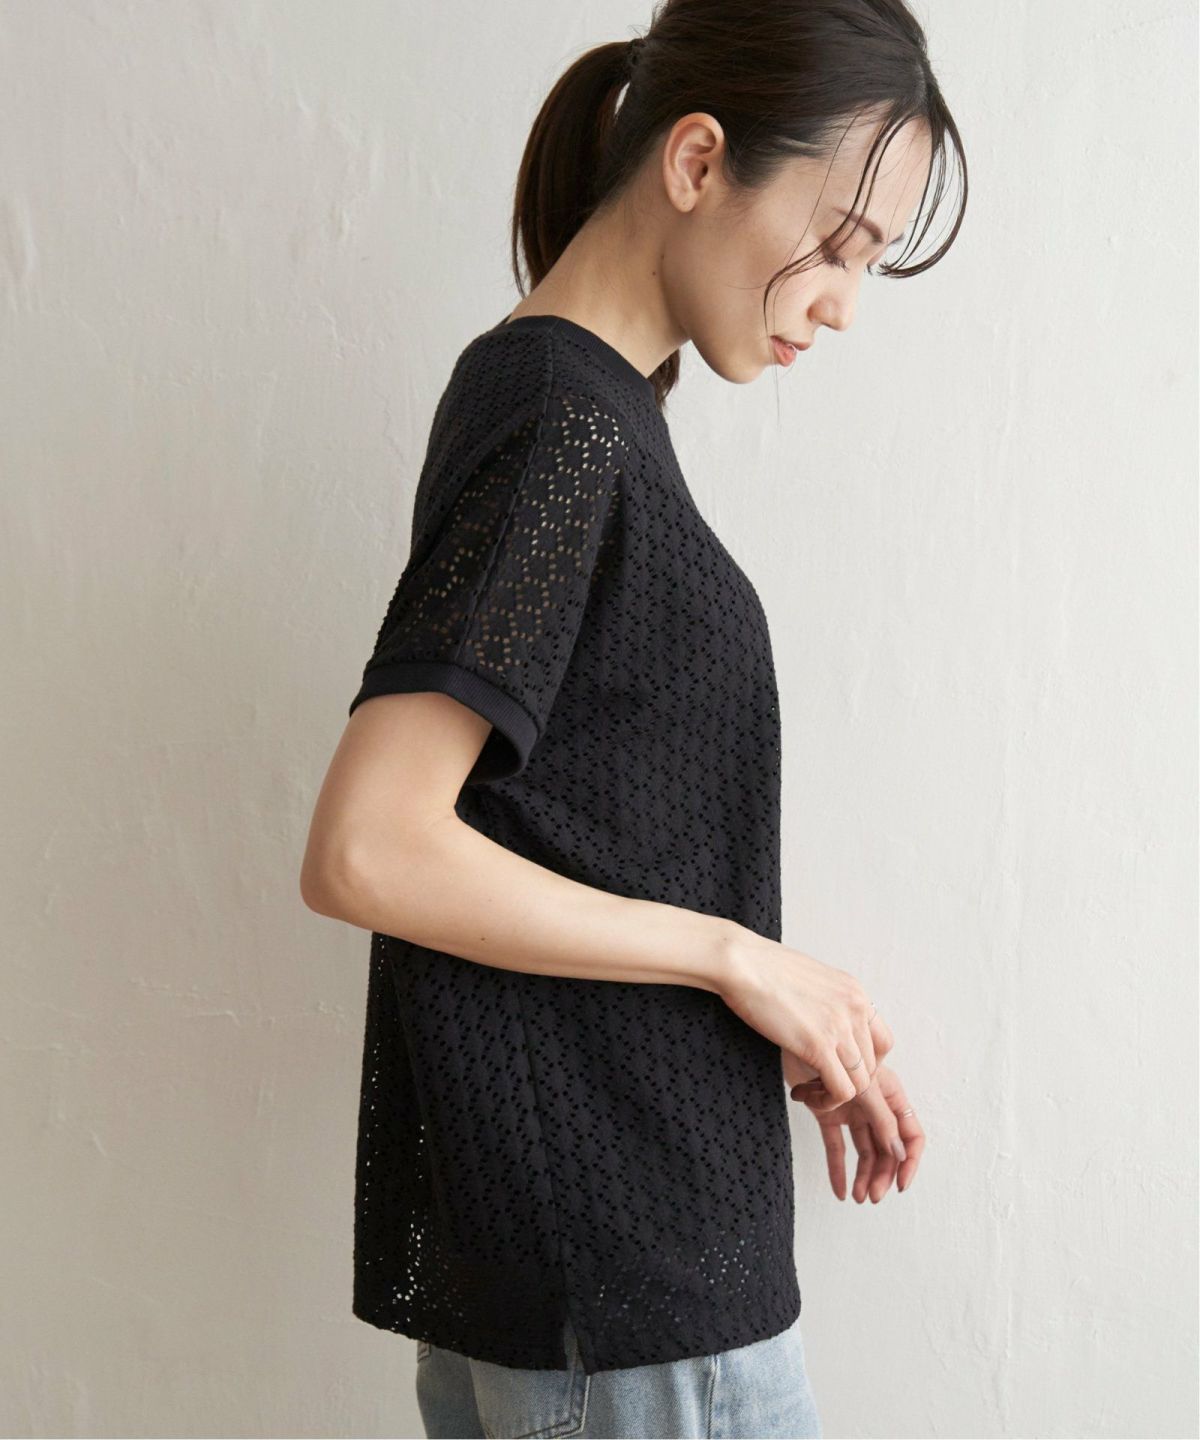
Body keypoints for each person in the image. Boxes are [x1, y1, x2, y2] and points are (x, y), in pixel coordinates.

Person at [301, 1, 967, 1434]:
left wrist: (763, 1009)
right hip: (633, 1296)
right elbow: (369, 845)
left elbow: (552, 830)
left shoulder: (565, 408)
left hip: (593, 1292)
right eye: (838, 241)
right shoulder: (565, 425)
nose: (844, 302)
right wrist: (737, 960)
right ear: (699, 160)